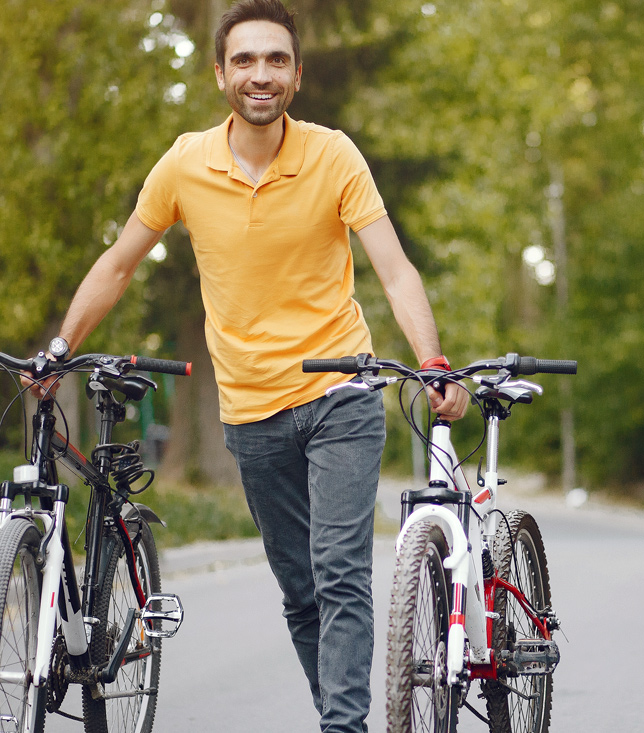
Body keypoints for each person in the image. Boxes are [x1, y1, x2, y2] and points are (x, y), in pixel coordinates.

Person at [32, 1, 468, 730]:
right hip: (250, 411)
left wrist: (431, 360)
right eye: (244, 60)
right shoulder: (184, 163)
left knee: (340, 575)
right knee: (300, 589)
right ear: (219, 74)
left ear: (296, 75)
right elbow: (117, 264)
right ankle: (340, 711)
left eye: (275, 60)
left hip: (340, 391)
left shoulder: (333, 155)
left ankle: (344, 727)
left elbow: (393, 269)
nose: (259, 74)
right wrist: (59, 349)